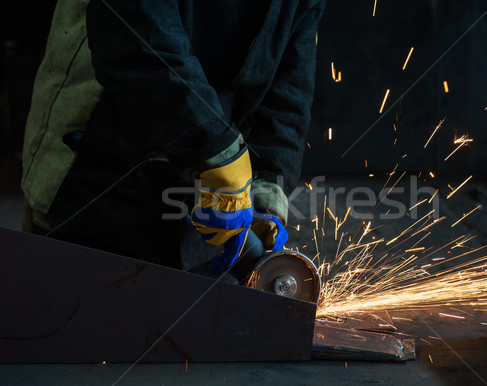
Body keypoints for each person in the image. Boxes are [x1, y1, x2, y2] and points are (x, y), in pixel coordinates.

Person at [21, 0, 326, 275]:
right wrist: (210, 146)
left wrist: (269, 179)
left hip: (209, 172)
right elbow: (139, 35)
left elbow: (291, 78)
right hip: (97, 169)